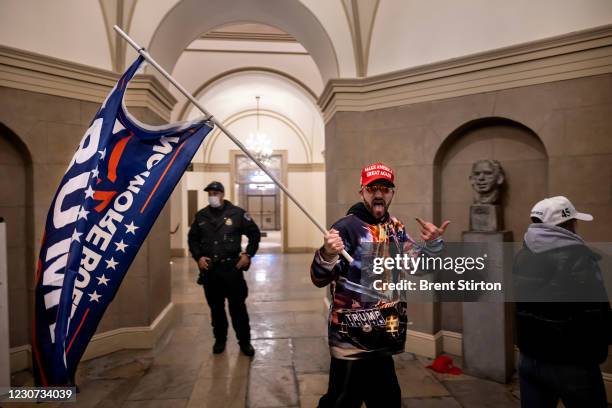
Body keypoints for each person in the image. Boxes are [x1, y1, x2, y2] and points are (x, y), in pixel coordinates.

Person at [311, 163, 450, 407]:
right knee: (341, 400)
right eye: (372, 188)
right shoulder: (345, 228)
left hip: (383, 336)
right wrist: (327, 253)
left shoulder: (395, 227)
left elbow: (415, 267)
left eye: (385, 189)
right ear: (361, 192)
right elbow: (319, 278)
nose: (378, 194)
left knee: (387, 400)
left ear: (392, 194)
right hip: (351, 341)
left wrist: (434, 245)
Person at [513, 196, 612, 408]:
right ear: (567, 225)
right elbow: (597, 314)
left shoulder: (522, 254)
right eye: (574, 221)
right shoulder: (581, 258)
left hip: (529, 358)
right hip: (572, 364)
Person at [188, 181, 261, 356]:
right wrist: (198, 257)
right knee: (216, 309)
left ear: (222, 194)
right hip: (211, 272)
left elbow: (254, 234)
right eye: (210, 193)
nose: (212, 196)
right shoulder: (201, 216)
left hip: (232, 270)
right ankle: (220, 340)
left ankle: (245, 342)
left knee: (238, 309)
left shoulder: (237, 213)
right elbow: (193, 240)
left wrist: (248, 254)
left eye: (215, 192)